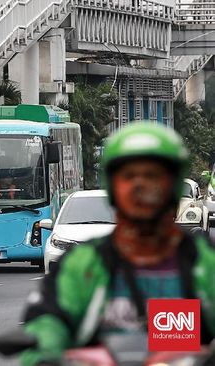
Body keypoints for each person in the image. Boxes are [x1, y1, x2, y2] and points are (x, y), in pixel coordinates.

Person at [18, 123, 215, 366]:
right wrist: (45, 346)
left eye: (152, 176)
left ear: (173, 185)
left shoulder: (205, 262)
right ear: (112, 186)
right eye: (129, 176)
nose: (140, 187)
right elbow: (48, 319)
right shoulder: (82, 264)